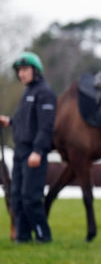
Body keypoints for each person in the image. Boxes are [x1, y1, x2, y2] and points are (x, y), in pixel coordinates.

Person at [0, 51, 57, 243]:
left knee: (30, 198)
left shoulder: (45, 93)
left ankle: (43, 236)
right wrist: (9, 121)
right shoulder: (28, 93)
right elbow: (25, 121)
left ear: (36, 70)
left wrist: (38, 151)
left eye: (25, 70)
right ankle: (22, 238)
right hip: (20, 151)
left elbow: (45, 127)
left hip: (34, 153)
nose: (21, 74)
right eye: (19, 71)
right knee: (16, 197)